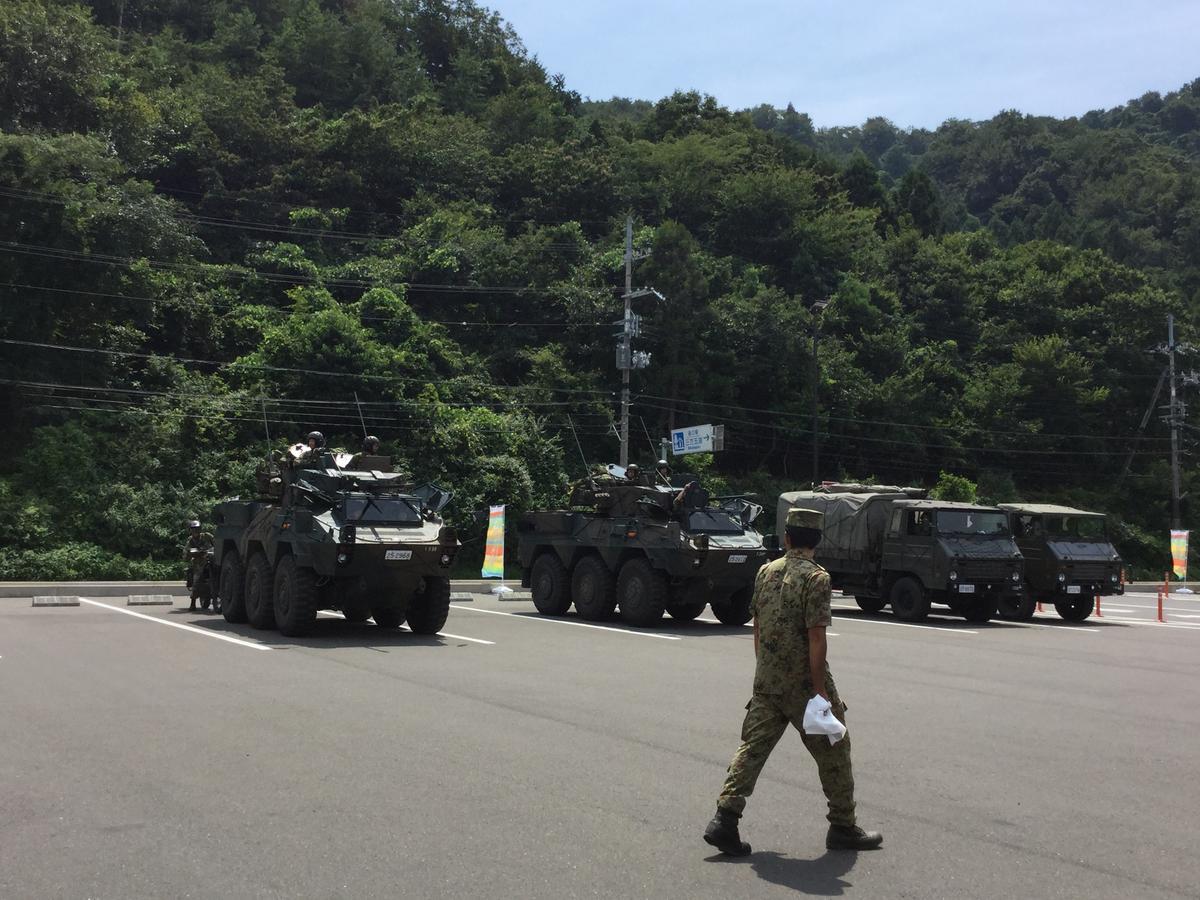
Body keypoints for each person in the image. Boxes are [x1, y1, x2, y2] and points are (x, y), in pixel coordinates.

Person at [703, 507, 882, 855]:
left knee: (751, 751)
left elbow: (757, 627)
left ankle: (724, 820)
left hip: (767, 682)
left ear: (786, 537)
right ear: (816, 540)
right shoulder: (817, 579)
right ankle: (843, 827)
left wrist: (765, 670)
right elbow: (817, 638)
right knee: (835, 750)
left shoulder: (765, 572)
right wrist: (820, 694)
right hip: (803, 685)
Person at [183, 519, 214, 611]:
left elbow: (216, 542)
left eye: (197, 529)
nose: (195, 531)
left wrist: (213, 549)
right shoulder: (190, 540)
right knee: (197, 580)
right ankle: (193, 603)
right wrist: (191, 552)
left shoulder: (207, 536)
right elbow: (186, 551)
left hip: (210, 559)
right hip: (199, 563)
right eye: (193, 529)